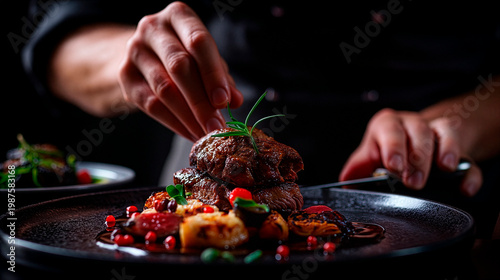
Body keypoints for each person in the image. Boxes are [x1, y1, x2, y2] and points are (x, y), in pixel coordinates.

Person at [23, 1, 500, 230]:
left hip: (430, 204)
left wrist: (464, 122)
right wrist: (132, 59)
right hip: (199, 196)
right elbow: (56, 39)